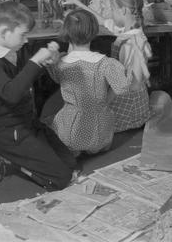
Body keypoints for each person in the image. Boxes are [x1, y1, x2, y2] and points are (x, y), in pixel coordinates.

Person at [0, 1, 77, 190]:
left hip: (27, 123)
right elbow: (11, 93)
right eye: (23, 35)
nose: (26, 40)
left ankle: (21, 158)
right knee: (62, 178)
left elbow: (23, 80)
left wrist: (45, 63)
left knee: (70, 162)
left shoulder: (10, 50)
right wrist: (35, 61)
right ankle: (5, 157)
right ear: (5, 33)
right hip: (9, 133)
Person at [59, 0, 153, 132]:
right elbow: (101, 20)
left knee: (88, 124)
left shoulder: (131, 43)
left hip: (127, 101)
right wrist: (77, 3)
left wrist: (103, 105)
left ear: (123, 11)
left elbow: (120, 84)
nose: (111, 14)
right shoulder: (127, 29)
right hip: (125, 92)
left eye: (113, 10)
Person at [43, 9, 132, 156]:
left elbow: (56, 78)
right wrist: (106, 100)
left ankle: (73, 151)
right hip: (101, 133)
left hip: (73, 131)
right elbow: (122, 87)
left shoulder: (62, 63)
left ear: (67, 32)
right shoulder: (105, 63)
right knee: (102, 125)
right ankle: (96, 147)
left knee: (51, 123)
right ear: (94, 32)